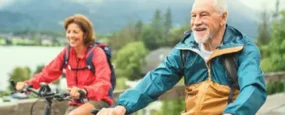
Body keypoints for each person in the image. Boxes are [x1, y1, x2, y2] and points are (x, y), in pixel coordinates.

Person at [97, 0, 267, 115]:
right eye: (193, 16)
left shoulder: (244, 48)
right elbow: (157, 79)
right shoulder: (186, 49)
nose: (196, 22)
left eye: (204, 15)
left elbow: (253, 87)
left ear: (223, 18)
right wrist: (122, 106)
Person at [16, 14, 113, 115]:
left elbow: (103, 83)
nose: (71, 35)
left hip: (97, 100)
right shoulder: (67, 53)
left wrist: (84, 90)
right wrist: (28, 84)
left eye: (75, 32)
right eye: (68, 31)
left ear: (85, 34)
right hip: (76, 102)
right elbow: (48, 73)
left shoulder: (96, 53)